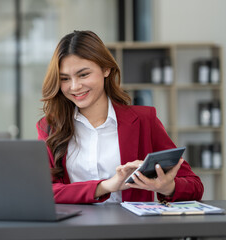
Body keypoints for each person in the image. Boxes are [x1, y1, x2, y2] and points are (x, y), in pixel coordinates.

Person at [36, 30, 204, 204]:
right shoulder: (50, 126)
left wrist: (166, 187)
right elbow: (44, 190)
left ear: (106, 69)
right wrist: (107, 186)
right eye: (64, 78)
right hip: (73, 228)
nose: (75, 86)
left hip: (130, 229)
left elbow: (195, 186)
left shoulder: (144, 120)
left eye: (83, 74)